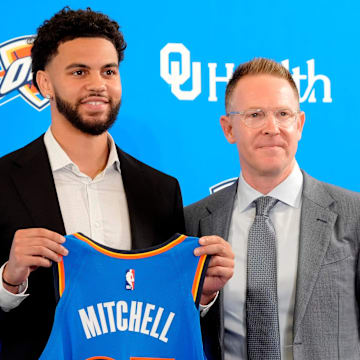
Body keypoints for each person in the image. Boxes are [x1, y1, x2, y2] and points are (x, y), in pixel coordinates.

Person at [0, 7, 234, 360]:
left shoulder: (160, 189)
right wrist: (8, 280)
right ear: (45, 83)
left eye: (108, 71)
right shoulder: (4, 180)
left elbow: (167, 310)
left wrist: (201, 295)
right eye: (79, 71)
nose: (98, 84)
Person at [185, 57, 360, 360]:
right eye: (255, 114)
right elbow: (171, 331)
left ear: (300, 124)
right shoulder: (193, 222)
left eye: (283, 114)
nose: (272, 128)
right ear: (228, 128)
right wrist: (202, 298)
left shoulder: (353, 214)